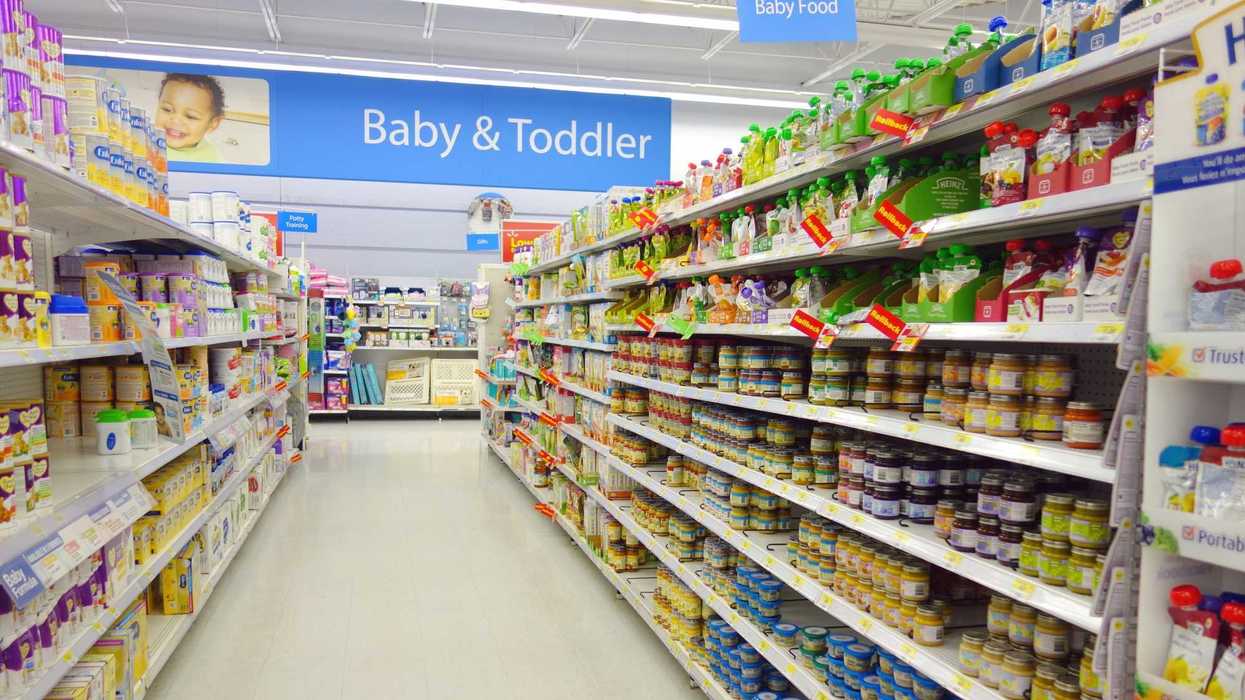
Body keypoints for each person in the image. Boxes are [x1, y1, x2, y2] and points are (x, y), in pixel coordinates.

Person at [154, 73, 225, 163]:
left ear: (213, 124)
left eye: (190, 116)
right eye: (167, 109)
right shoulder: (144, 143)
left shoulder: (212, 159)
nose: (176, 120)